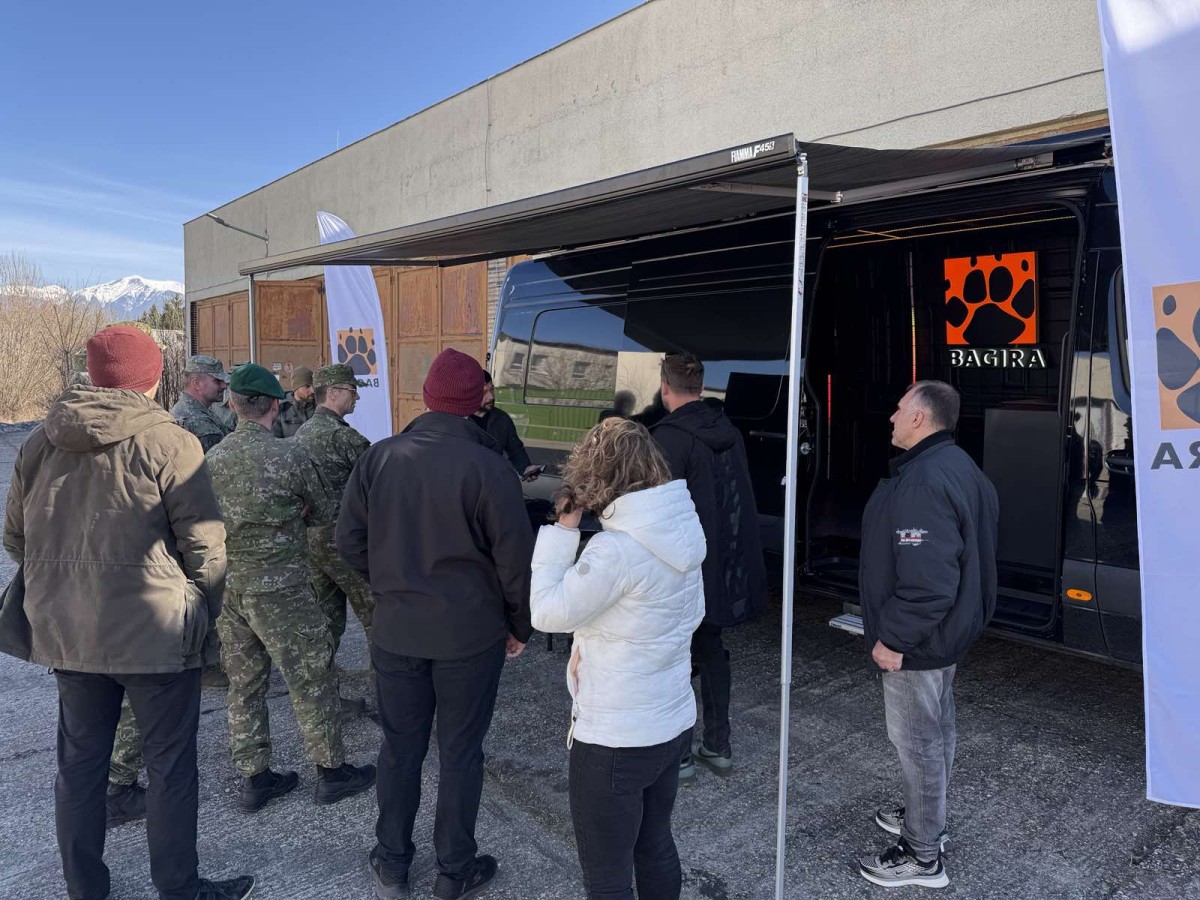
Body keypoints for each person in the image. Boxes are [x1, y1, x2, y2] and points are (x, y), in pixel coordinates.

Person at [0, 325, 254, 900]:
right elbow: (206, 546)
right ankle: (179, 889)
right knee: (170, 766)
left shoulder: (40, 442)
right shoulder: (171, 442)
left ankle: (85, 888)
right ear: (154, 377)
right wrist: (199, 608)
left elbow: (16, 538)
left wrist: (66, 586)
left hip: (70, 632)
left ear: (94, 375)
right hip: (155, 634)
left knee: (80, 765)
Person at [337, 348, 533, 900]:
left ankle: (392, 862)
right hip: (469, 636)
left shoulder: (379, 458)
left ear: (427, 397)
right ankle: (454, 870)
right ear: (474, 403)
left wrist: (390, 583)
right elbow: (516, 563)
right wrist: (521, 624)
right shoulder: (490, 468)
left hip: (398, 630)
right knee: (460, 752)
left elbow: (347, 540)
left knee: (401, 748)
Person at [531, 417, 705, 900]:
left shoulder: (616, 550)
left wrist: (563, 530)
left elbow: (546, 613)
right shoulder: (681, 532)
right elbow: (695, 613)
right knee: (656, 844)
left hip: (616, 737)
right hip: (672, 721)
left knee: (607, 876)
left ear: (594, 472)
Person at [206, 364, 376, 814]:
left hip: (232, 589)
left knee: (244, 684)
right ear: (274, 406)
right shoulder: (289, 456)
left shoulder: (211, 460)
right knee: (310, 677)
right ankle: (332, 773)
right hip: (282, 589)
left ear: (233, 405)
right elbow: (323, 514)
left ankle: (255, 778)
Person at [857, 380, 998, 889]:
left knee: (917, 742)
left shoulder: (923, 481)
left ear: (919, 418)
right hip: (946, 635)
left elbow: (928, 583)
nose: (892, 417)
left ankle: (922, 854)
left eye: (899, 409)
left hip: (920, 641)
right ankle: (926, 815)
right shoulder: (960, 466)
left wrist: (894, 639)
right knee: (937, 732)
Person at [649, 353, 767, 778]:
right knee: (711, 649)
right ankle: (718, 744)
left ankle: (680, 754)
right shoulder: (728, 430)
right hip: (722, 563)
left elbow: (657, 510)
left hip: (681, 564)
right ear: (700, 386)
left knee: (677, 656)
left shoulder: (666, 437)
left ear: (665, 387)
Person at [294, 363, 375, 699]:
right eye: (352, 391)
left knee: (326, 621)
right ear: (334, 392)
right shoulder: (345, 438)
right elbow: (379, 485)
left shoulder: (302, 433)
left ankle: (322, 698)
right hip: (345, 541)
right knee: (377, 616)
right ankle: (389, 695)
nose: (357, 397)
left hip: (311, 540)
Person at [472, 371, 542, 480]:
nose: (491, 397)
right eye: (484, 392)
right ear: (470, 393)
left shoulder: (502, 419)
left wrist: (526, 468)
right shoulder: (460, 420)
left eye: (492, 389)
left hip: (492, 482)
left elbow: (515, 450)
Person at [172, 355, 234, 452]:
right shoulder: (198, 420)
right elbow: (224, 457)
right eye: (217, 381)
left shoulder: (193, 409)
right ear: (196, 384)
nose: (224, 386)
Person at [273, 365, 316, 437]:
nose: (312, 391)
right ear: (296, 387)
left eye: (313, 386)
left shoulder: (319, 406)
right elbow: (274, 438)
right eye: (307, 386)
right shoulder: (281, 408)